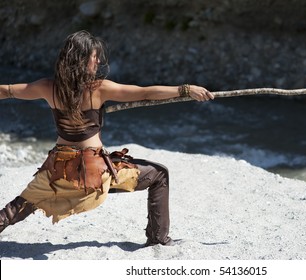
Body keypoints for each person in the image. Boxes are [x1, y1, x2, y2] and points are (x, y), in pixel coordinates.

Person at [0, 30, 214, 246]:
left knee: (19, 206)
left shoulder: (47, 87)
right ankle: (159, 239)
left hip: (58, 170)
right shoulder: (99, 88)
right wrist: (185, 89)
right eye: (94, 56)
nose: (98, 60)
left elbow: (7, 91)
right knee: (159, 174)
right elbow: (146, 92)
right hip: (93, 172)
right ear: (82, 60)